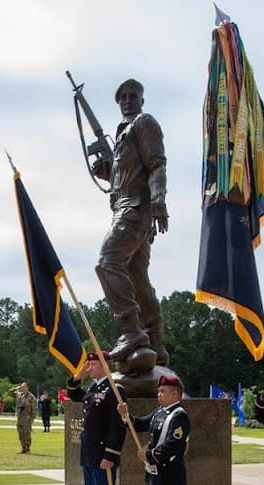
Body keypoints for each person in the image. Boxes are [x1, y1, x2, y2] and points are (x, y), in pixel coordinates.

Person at [93, 78, 169, 370]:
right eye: (122, 96)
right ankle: (156, 342)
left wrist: (159, 199)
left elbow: (157, 164)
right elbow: (127, 176)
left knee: (107, 262)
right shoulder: (123, 133)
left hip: (136, 209)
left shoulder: (144, 123)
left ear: (141, 99)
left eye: (132, 95)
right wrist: (107, 173)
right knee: (137, 275)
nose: (127, 100)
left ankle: (132, 330)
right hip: (125, 207)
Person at [67, 353, 126, 485]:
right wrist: (77, 377)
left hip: (103, 456)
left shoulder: (115, 390)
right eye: (88, 363)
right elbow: (73, 394)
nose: (89, 366)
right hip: (89, 456)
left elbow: (117, 426)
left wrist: (110, 455)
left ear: (105, 365)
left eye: (92, 363)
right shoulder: (93, 389)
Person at [14, 381, 36, 454]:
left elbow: (34, 410)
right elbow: (9, 392)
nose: (22, 388)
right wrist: (17, 388)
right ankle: (23, 448)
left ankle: (27, 449)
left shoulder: (31, 397)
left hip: (27, 418)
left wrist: (31, 419)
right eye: (21, 387)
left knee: (27, 434)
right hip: (19, 417)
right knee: (20, 434)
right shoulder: (19, 395)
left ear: (27, 388)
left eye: (24, 387)